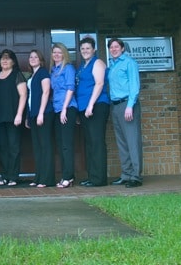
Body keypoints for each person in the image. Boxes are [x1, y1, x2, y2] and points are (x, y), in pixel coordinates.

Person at [107, 38, 143, 188]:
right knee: (122, 142)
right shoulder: (112, 65)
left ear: (122, 48)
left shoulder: (129, 63)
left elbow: (134, 85)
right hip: (115, 106)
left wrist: (130, 105)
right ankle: (126, 174)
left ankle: (136, 176)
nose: (114, 49)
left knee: (132, 141)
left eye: (117, 47)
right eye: (111, 47)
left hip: (128, 105)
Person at [75, 36, 110, 187]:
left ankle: (99, 179)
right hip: (84, 108)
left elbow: (99, 83)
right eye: (82, 49)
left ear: (94, 50)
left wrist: (90, 105)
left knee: (96, 142)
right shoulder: (83, 66)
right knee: (89, 143)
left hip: (97, 106)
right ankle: (92, 176)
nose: (85, 51)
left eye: (88, 48)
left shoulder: (98, 63)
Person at [0, 49, 28, 186]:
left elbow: (23, 95)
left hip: (14, 117)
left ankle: (13, 177)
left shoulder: (17, 75)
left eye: (8, 58)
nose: (5, 61)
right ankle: (5, 176)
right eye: (2, 58)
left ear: (13, 61)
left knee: (14, 147)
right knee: (2, 147)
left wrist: (19, 114)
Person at [50, 42, 78, 188]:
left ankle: (68, 177)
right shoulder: (53, 70)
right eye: (54, 52)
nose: (56, 55)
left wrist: (65, 109)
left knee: (67, 144)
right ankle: (66, 175)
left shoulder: (68, 68)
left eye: (59, 52)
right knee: (61, 145)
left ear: (64, 54)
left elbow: (70, 88)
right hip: (56, 109)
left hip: (67, 109)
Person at [25, 49, 55, 188]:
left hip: (44, 114)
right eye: (31, 57)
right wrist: (28, 116)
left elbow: (46, 92)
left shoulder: (43, 72)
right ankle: (38, 177)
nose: (33, 59)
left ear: (41, 60)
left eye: (35, 57)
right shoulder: (33, 75)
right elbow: (30, 97)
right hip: (33, 114)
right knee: (37, 147)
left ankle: (47, 179)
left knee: (45, 146)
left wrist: (41, 113)